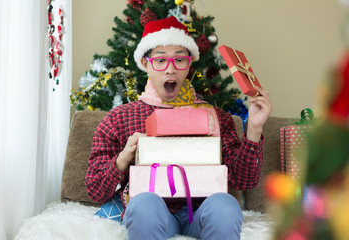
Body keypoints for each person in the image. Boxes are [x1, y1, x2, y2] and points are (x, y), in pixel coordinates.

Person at [86, 16, 273, 240]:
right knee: (143, 203)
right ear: (145, 64)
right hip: (154, 214)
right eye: (160, 60)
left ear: (189, 64)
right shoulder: (119, 119)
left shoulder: (216, 117)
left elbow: (243, 181)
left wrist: (253, 129)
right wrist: (122, 159)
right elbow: (95, 189)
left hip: (204, 213)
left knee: (226, 204)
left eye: (179, 60)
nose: (170, 70)